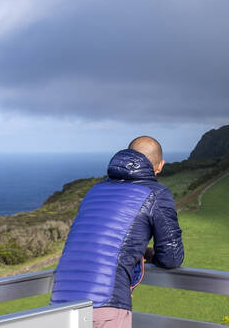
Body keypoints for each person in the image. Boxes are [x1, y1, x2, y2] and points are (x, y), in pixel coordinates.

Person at [51, 136, 184, 328]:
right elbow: (172, 257)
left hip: (60, 303)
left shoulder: (95, 190)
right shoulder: (156, 193)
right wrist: (146, 253)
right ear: (160, 165)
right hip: (105, 303)